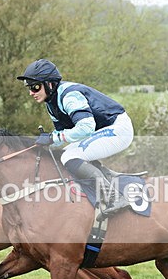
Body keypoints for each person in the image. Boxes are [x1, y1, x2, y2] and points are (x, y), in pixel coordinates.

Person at [17, 58, 134, 220]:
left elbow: (86, 127)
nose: (31, 92)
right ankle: (108, 176)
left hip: (118, 129)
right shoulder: (51, 103)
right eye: (29, 88)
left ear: (49, 84)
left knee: (70, 157)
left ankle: (115, 197)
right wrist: (44, 143)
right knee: (66, 153)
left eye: (35, 87)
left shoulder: (69, 95)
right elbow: (64, 134)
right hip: (104, 129)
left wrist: (53, 138)